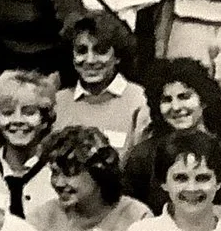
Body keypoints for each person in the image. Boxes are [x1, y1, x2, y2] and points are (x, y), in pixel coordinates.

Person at [122, 57, 221, 213]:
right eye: (167, 100)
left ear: (204, 100)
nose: (176, 107)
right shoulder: (142, 156)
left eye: (184, 97)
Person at [56, 11, 151, 148]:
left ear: (117, 56)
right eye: (81, 51)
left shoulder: (139, 100)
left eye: (100, 51)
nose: (90, 60)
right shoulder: (59, 102)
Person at [0, 71, 59, 218]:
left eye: (29, 112)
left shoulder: (58, 176)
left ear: (45, 120)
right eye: (7, 112)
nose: (18, 120)